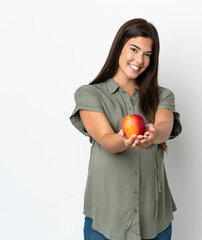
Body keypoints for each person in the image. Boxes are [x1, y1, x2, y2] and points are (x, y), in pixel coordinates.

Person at [70, 18, 182, 240]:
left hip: (155, 222)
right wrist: (124, 141)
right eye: (134, 49)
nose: (140, 60)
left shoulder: (163, 95)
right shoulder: (90, 94)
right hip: (106, 222)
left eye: (148, 54)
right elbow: (106, 139)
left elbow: (164, 126)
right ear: (118, 47)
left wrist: (152, 137)